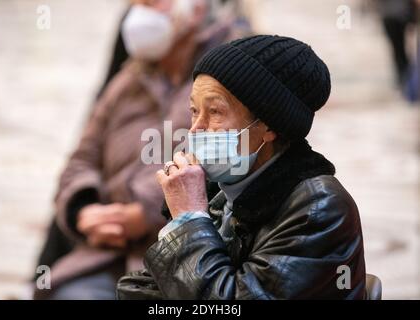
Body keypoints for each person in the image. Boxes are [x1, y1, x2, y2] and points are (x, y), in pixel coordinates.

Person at [118, 35, 366, 299]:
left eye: (215, 112)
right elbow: (146, 287)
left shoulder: (319, 209)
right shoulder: (221, 190)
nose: (195, 128)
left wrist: (188, 220)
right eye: (193, 111)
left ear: (269, 126)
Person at [33, 0, 251, 300]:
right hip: (104, 255)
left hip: (188, 260)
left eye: (152, 3)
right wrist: (84, 211)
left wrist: (144, 213)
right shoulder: (128, 78)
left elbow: (224, 162)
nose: (140, 13)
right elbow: (81, 159)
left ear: (197, 9)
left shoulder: (234, 71)